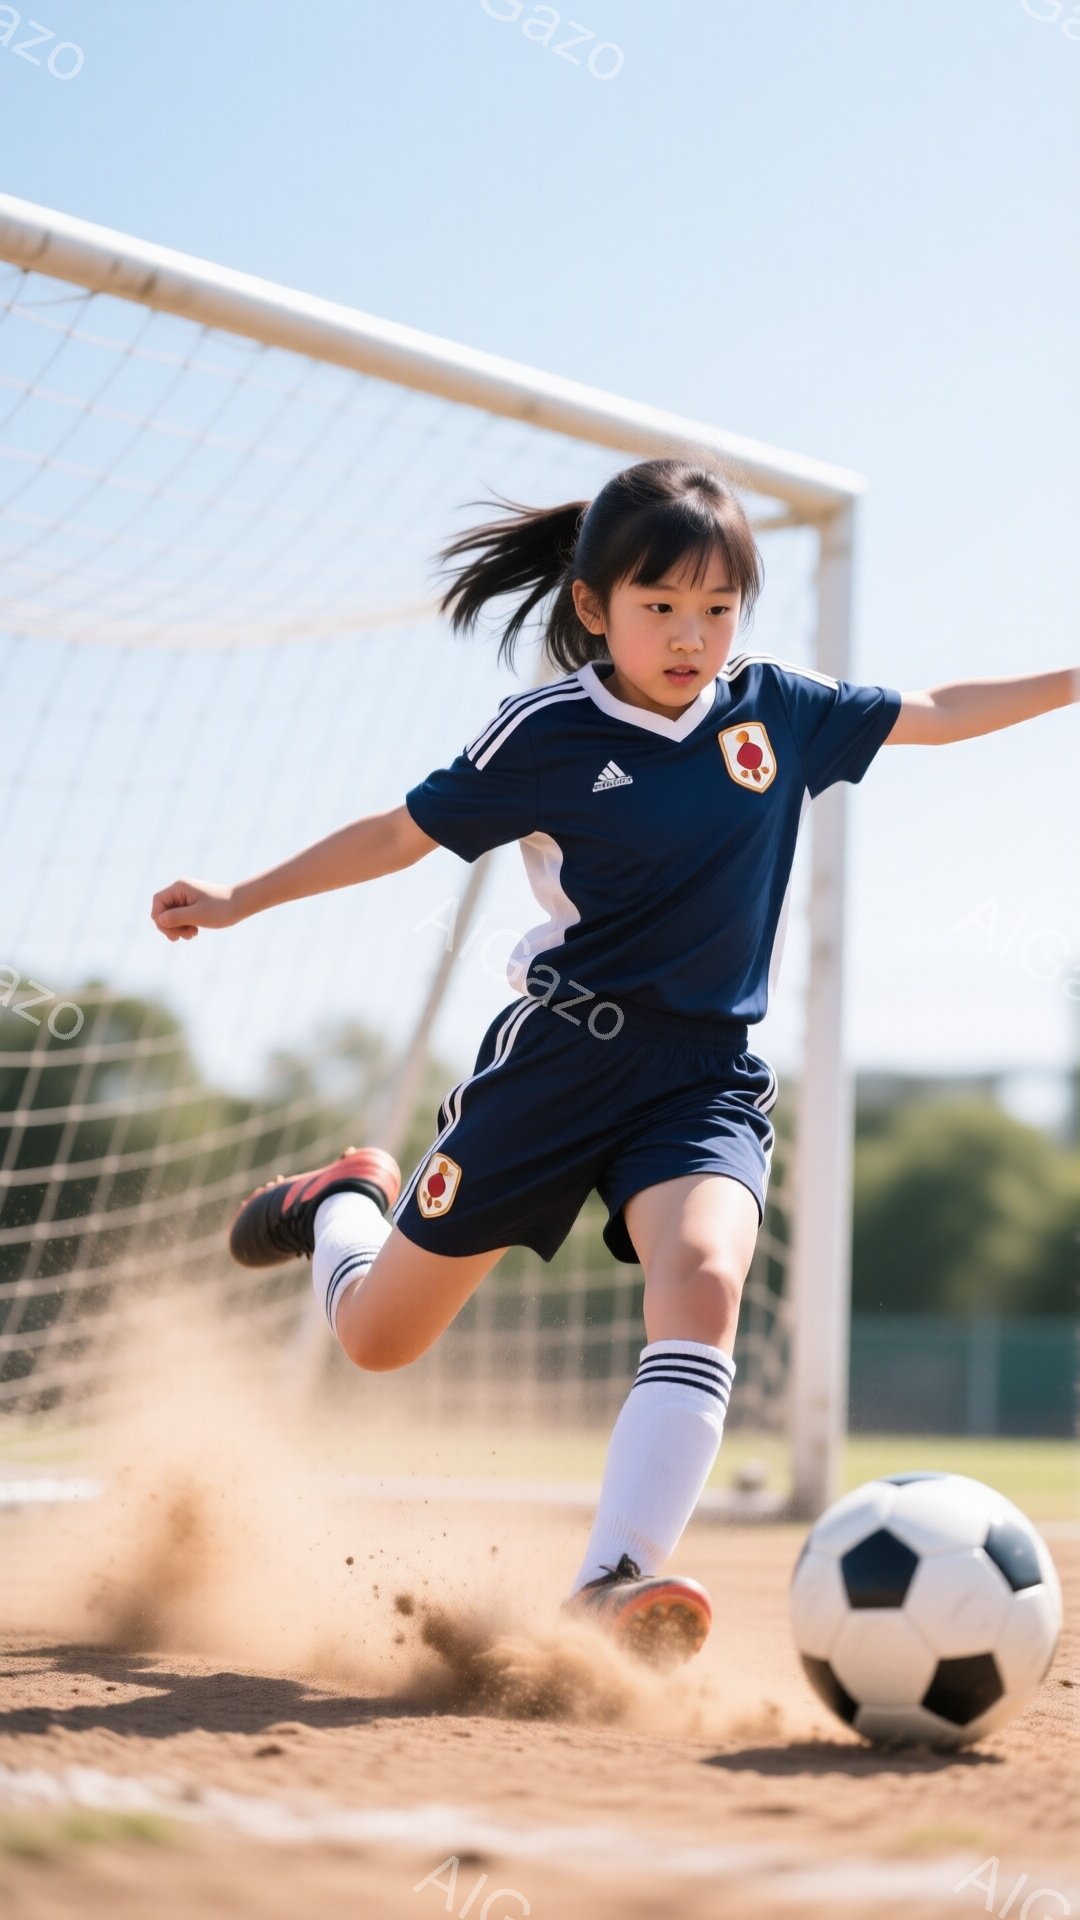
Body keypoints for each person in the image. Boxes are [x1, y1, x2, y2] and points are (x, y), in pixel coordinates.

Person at [151, 456, 1077, 1666]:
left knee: (705, 1276)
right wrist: (239, 897)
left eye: (718, 607)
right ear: (593, 607)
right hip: (559, 1065)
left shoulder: (778, 709)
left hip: (703, 1078)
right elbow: (394, 834)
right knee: (379, 1340)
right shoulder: (546, 733)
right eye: (661, 606)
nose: (693, 635)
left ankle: (612, 1580)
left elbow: (940, 710)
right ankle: (340, 1204)